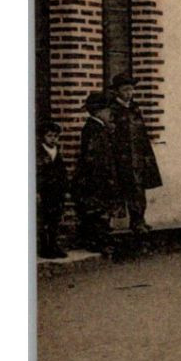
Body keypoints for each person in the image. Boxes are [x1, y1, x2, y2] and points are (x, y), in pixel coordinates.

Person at [107, 74, 161, 233]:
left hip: (137, 155)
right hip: (120, 157)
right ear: (117, 91)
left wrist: (145, 155)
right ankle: (110, 222)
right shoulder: (113, 110)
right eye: (125, 90)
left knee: (138, 189)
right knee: (117, 189)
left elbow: (141, 133)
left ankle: (138, 220)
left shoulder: (135, 108)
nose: (129, 93)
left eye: (131, 90)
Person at [71, 92, 117, 255]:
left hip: (96, 178)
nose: (111, 113)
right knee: (96, 212)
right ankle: (95, 242)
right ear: (99, 112)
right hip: (94, 179)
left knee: (97, 211)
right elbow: (95, 158)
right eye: (108, 110)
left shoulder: (99, 128)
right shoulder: (94, 129)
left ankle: (97, 241)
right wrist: (104, 178)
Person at [37, 120, 68, 259]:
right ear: (43, 137)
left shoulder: (57, 151)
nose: (53, 139)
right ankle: (45, 248)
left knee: (55, 220)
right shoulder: (38, 153)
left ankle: (54, 245)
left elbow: (62, 172)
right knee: (44, 220)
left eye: (55, 136)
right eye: (50, 136)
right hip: (44, 191)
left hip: (56, 191)